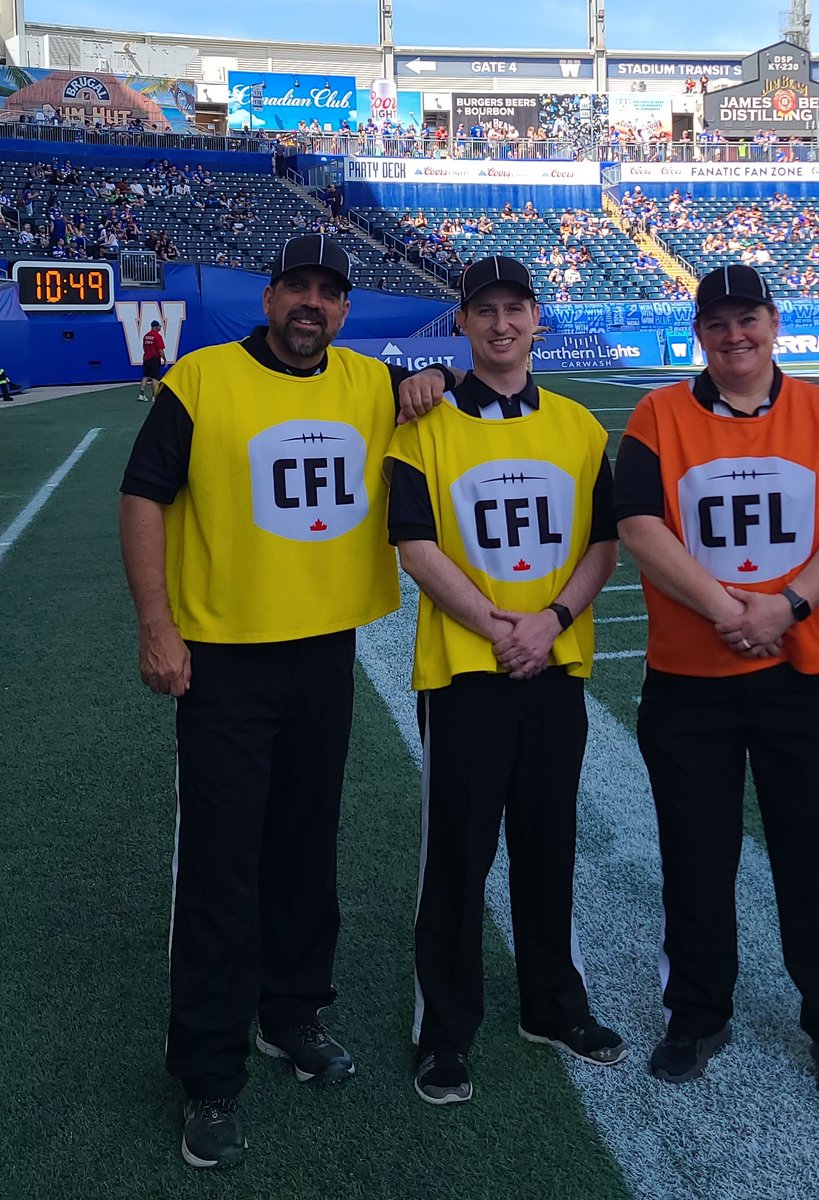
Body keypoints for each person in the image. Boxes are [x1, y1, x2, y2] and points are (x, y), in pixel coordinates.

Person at [118, 235, 457, 1169]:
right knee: (221, 865)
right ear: (268, 298)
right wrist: (156, 624)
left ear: (344, 309)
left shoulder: (368, 382)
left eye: (328, 292)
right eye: (297, 288)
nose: (312, 304)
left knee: (306, 848)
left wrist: (433, 374)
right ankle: (208, 1070)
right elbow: (143, 497)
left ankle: (291, 1013)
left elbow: (441, 388)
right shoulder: (202, 379)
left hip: (323, 653)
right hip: (225, 658)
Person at [614, 264, 819, 1097]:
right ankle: (697, 1013)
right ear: (700, 333)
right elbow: (638, 524)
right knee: (696, 856)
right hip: (688, 678)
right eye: (718, 323)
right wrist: (727, 609)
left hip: (804, 675)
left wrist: (787, 606)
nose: (735, 336)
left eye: (748, 319)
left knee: (815, 857)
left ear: (773, 322)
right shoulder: (658, 414)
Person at [385, 255, 626, 1107]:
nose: (500, 323)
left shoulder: (579, 427)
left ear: (535, 319)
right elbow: (415, 547)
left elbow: (603, 543)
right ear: (461, 322)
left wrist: (549, 622)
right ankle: (444, 1032)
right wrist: (498, 628)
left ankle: (552, 1004)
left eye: (513, 308)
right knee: (458, 856)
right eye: (483, 310)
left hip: (553, 666)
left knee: (548, 843)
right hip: (464, 673)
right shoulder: (425, 425)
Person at [140, 318, 167, 402]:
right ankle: (154, 396)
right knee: (155, 377)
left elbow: (144, 347)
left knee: (146, 376)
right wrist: (164, 359)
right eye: (159, 326)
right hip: (154, 358)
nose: (160, 328)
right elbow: (160, 350)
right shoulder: (157, 336)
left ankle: (141, 394)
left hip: (146, 358)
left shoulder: (146, 336)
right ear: (156, 327)